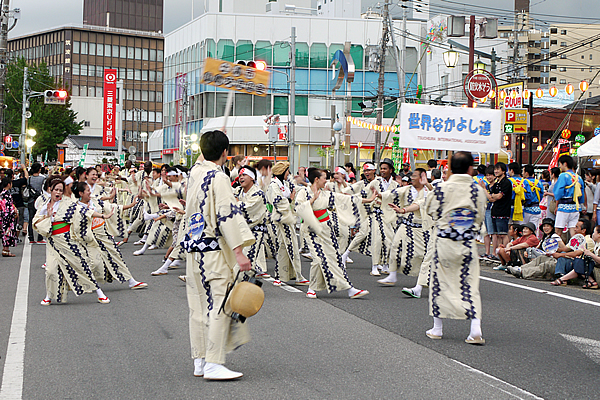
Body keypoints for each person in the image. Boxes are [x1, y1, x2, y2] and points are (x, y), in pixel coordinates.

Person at [185, 130, 255, 380]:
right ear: (225, 153)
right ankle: (214, 363)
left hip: (193, 249)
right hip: (213, 251)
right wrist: (239, 252)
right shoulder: (219, 177)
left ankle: (200, 359)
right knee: (219, 305)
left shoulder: (194, 174)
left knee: (197, 306)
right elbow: (226, 214)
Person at [423, 151, 487, 345]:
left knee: (439, 282)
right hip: (467, 242)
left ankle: (437, 328)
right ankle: (475, 329)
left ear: (450, 169)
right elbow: (480, 216)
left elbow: (429, 209)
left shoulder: (441, 189)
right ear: (470, 169)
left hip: (444, 241)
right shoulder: (478, 191)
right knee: (470, 284)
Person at [295, 168, 372, 299]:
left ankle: (349, 289)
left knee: (334, 259)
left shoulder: (326, 194)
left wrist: (368, 200)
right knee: (318, 259)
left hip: (326, 229)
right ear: (317, 179)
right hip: (311, 230)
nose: (326, 180)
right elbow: (299, 208)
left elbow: (345, 199)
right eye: (324, 178)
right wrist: (313, 199)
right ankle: (312, 288)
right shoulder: (304, 192)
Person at [33, 179, 113, 305]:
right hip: (52, 242)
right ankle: (49, 295)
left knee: (81, 265)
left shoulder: (68, 203)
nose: (58, 192)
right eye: (56, 190)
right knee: (51, 270)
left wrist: (103, 216)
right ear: (50, 190)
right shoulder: (45, 205)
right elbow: (37, 221)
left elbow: (84, 211)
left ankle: (99, 292)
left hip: (67, 240)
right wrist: (48, 216)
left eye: (61, 190)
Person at [550, 218, 594, 286]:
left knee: (562, 256)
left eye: (577, 227)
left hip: (583, 264)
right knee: (562, 254)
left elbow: (577, 253)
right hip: (575, 262)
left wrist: (559, 255)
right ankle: (561, 276)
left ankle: (562, 278)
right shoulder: (576, 238)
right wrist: (552, 248)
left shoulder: (588, 240)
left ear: (583, 230)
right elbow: (565, 249)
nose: (574, 229)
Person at [485, 162, 512, 259]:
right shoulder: (497, 183)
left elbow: (499, 196)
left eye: (498, 169)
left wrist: (492, 195)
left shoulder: (506, 182)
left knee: (503, 234)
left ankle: (506, 253)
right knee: (497, 235)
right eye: (495, 169)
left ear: (504, 171)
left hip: (503, 211)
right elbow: (492, 198)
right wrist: (494, 196)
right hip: (495, 211)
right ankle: (499, 254)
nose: (496, 171)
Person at [553, 155, 584, 237]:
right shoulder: (578, 177)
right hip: (575, 207)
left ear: (565, 164)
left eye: (560, 164)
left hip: (564, 207)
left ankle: (555, 248)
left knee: (558, 231)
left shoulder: (563, 176)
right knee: (573, 231)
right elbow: (582, 193)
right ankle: (575, 248)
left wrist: (557, 199)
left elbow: (558, 192)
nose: (559, 166)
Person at [27, 162, 46, 244]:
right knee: (40, 218)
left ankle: (31, 238)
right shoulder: (42, 178)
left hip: (30, 200)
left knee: (31, 219)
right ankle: (39, 237)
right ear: (39, 169)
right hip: (39, 200)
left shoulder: (29, 179)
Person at [522, 164, 544, 230]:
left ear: (526, 173)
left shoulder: (524, 182)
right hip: (536, 209)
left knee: (525, 229)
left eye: (523, 171)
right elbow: (541, 194)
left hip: (526, 209)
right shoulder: (539, 182)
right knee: (534, 229)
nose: (522, 173)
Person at [1, 178, 18, 257]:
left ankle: (6, 249)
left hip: (4, 215)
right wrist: (14, 210)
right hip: (7, 216)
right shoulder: (6, 194)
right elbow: (7, 206)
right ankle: (6, 250)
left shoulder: (3, 193)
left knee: (5, 232)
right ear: (8, 184)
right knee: (7, 232)